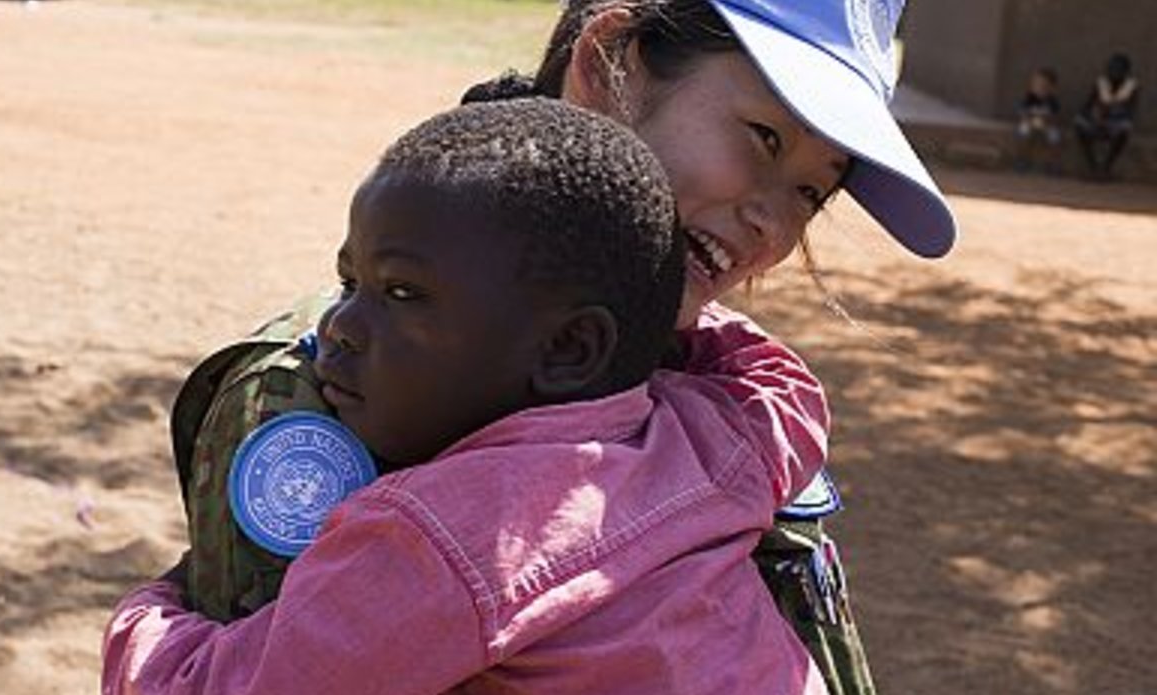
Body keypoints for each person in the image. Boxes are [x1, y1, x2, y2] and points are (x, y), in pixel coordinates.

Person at [117, 1, 960, 693]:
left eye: (813, 190)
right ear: (606, 64)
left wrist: (148, 613)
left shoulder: (699, 395)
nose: (773, 223)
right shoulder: (331, 394)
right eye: (764, 138)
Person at [1074, 52, 1141, 181]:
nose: (1114, 72)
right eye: (1112, 68)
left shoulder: (1131, 87)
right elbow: (1087, 104)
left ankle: (1106, 167)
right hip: (1097, 121)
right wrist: (1092, 115)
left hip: (1115, 123)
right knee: (1079, 122)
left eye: (1119, 69)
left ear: (1126, 72)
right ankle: (1092, 166)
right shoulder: (1101, 83)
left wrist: (1113, 114)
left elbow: (1130, 111)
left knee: (1125, 128)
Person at [1015, 67, 1062, 174]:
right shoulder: (1029, 98)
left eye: (1044, 86)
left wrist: (1047, 124)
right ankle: (1022, 159)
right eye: (1036, 85)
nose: (1039, 88)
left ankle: (1053, 163)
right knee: (1023, 133)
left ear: (1051, 88)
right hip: (1030, 122)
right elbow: (1022, 113)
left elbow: (1055, 117)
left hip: (1047, 124)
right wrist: (1028, 121)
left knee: (1055, 138)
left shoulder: (1052, 101)